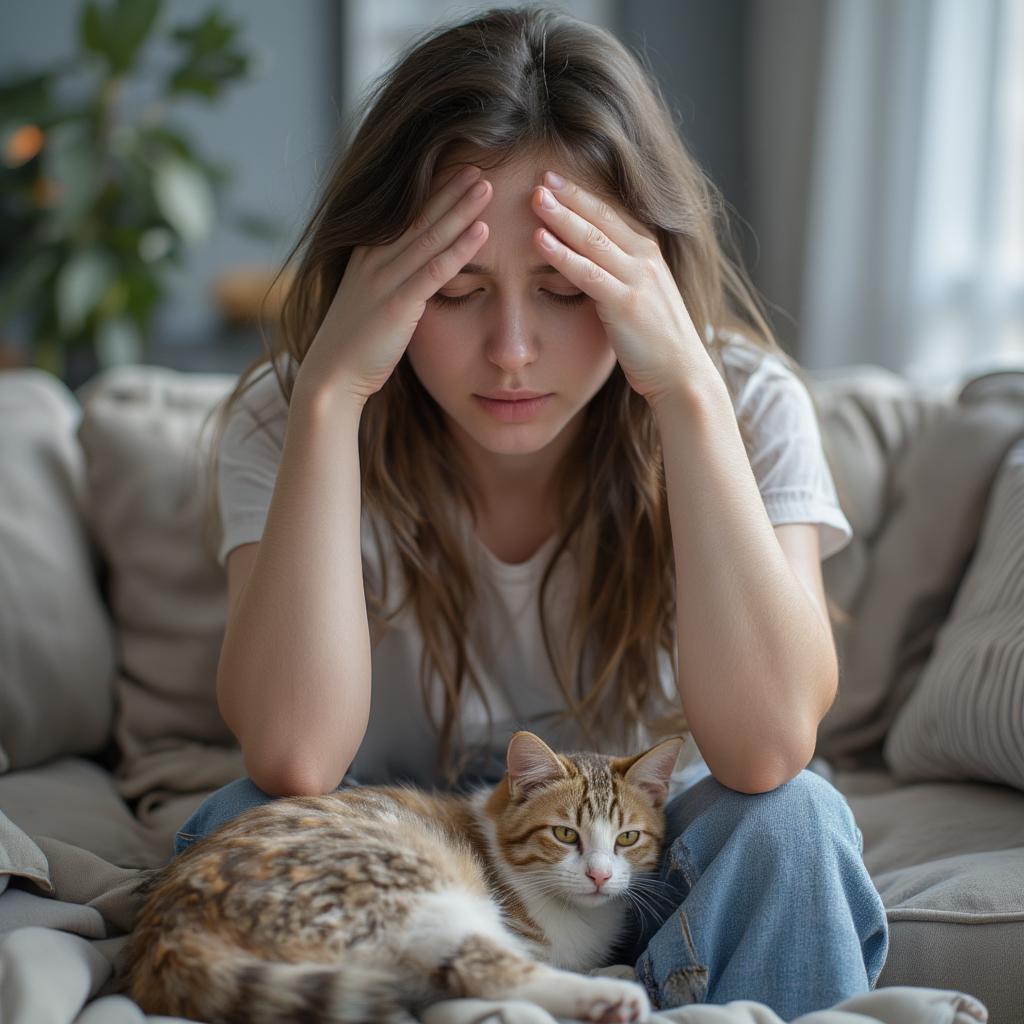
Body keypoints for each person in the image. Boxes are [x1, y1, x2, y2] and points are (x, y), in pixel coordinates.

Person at [181, 5, 889, 1018]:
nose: (511, 348)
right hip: (418, 874)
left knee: (793, 821)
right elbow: (293, 755)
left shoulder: (745, 401)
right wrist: (330, 397)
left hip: (636, 869)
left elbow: (768, 746)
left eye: (564, 289)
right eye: (456, 289)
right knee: (237, 819)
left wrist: (686, 395)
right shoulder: (289, 412)